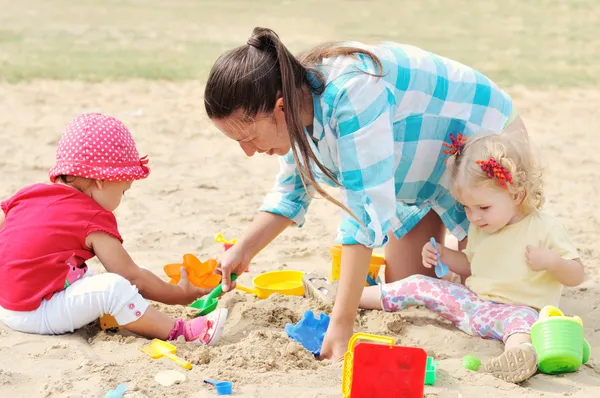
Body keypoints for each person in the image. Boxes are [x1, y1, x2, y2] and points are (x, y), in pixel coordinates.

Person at [203, 26, 528, 359]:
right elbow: (290, 193)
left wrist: (341, 326)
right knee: (409, 282)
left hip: (480, 146)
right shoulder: (294, 115)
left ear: (280, 107)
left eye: (248, 137)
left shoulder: (352, 93)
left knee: (493, 285)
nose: (248, 151)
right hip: (412, 172)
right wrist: (243, 251)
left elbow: (362, 212)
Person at [344, 132, 584, 383]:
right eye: (466, 208)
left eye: (483, 208)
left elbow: (577, 274)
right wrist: (444, 256)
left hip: (516, 310)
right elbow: (473, 266)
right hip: (473, 304)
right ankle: (352, 296)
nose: (473, 217)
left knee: (524, 325)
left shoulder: (544, 228)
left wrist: (552, 262)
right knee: (418, 283)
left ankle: (519, 354)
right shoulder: (482, 226)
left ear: (516, 194)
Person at [0, 113, 227, 344]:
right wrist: (179, 295)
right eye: (124, 190)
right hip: (35, 312)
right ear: (101, 181)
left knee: (91, 278)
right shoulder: (92, 216)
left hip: (7, 302)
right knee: (114, 286)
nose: (123, 197)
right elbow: (131, 276)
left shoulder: (31, 193)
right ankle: (184, 333)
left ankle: (115, 314)